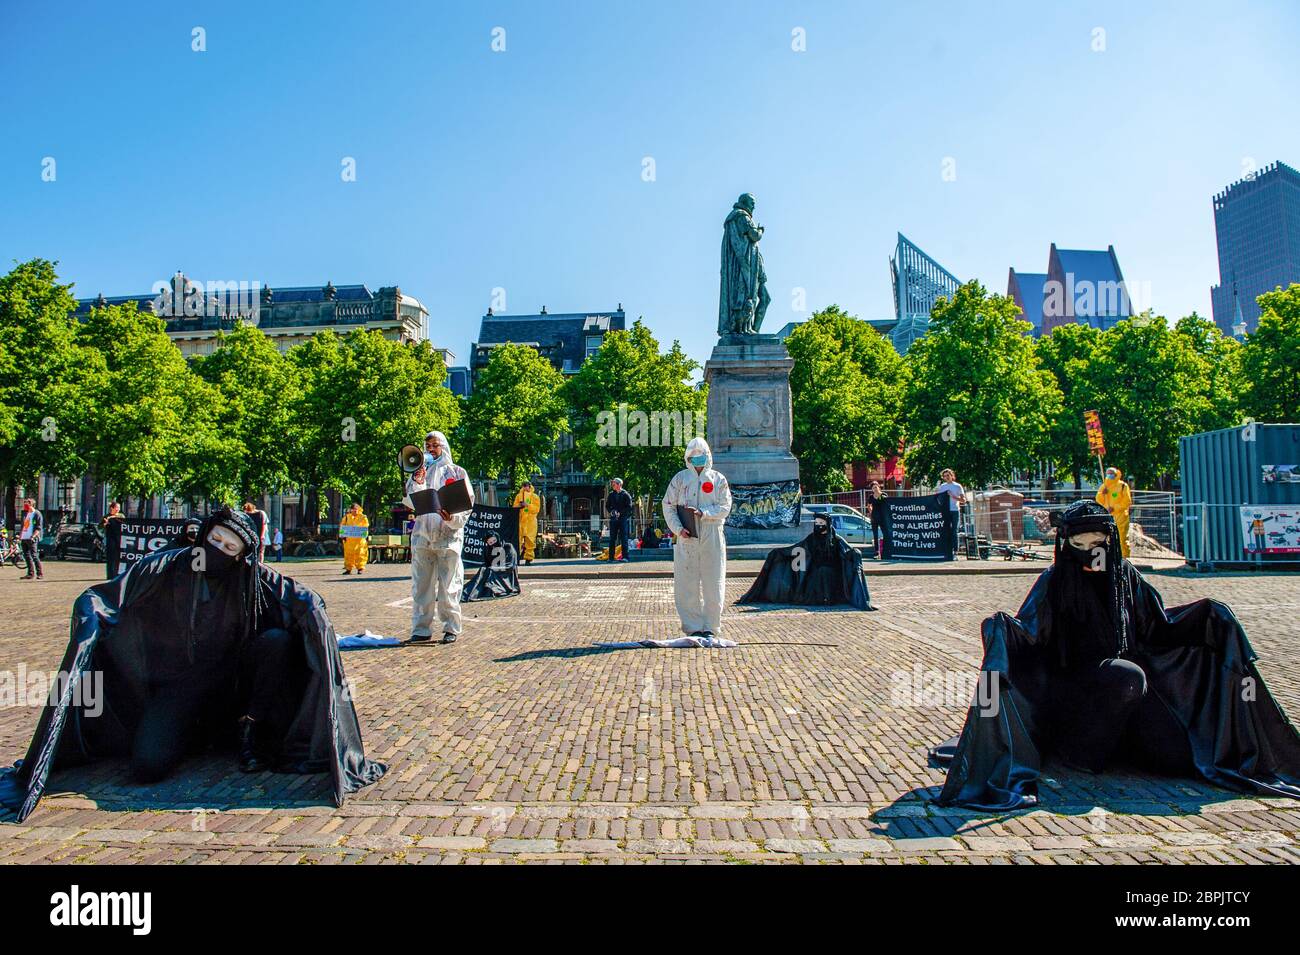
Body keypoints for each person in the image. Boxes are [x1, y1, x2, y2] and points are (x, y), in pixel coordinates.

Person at [0, 507, 386, 822]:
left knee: (275, 642)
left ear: (241, 555)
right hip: (180, 686)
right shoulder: (168, 567)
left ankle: (248, 731)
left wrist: (315, 614)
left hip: (236, 686)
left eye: (229, 547)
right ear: (204, 536)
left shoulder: (253, 580)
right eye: (215, 540)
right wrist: (91, 610)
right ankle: (191, 735)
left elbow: (302, 599)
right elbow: (110, 594)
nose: (218, 550)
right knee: (147, 765)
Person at [931, 500, 1300, 811]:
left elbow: (1158, 626)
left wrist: (1209, 616)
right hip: (1073, 695)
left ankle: (1125, 742)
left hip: (1125, 693)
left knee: (1179, 758)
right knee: (1127, 676)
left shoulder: (1125, 577)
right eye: (1080, 539)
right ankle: (1080, 753)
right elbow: (1029, 635)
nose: (1092, 548)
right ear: (1067, 542)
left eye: (1099, 539)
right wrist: (1001, 630)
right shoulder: (1054, 582)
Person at [404, 430, 473, 644]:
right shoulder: (418, 474)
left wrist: (452, 517)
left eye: (435, 445)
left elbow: (467, 504)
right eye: (428, 447)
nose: (431, 450)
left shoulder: (457, 471)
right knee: (421, 585)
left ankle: (451, 627)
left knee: (449, 584)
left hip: (448, 537)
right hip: (423, 536)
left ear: (443, 446)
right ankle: (421, 628)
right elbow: (408, 500)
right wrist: (416, 481)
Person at [662, 438, 732, 637]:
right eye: (693, 457)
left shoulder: (718, 479)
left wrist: (704, 513)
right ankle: (692, 626)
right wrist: (678, 529)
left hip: (712, 533)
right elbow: (668, 505)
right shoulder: (680, 479)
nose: (698, 460)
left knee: (713, 580)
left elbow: (725, 507)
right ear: (688, 459)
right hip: (687, 535)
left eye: (701, 456)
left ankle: (711, 626)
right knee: (687, 582)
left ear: (708, 456)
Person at [739, 514, 874, 610]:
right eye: (816, 524)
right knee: (817, 575)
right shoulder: (811, 538)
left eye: (821, 524)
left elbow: (847, 550)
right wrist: (779, 552)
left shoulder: (836, 539)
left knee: (826, 573)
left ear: (827, 525)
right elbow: (797, 548)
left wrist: (855, 553)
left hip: (833, 571)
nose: (818, 526)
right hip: (815, 571)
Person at [1095, 465, 1133, 558]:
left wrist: (1115, 508)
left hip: (1121, 517)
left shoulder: (1123, 486)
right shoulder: (1104, 486)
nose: (1109, 475)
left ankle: (1123, 558)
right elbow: (1098, 500)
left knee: (1121, 538)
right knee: (1107, 539)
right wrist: (1102, 494)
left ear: (1116, 474)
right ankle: (1111, 558)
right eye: (1108, 474)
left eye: (1111, 473)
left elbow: (1127, 501)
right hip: (1107, 516)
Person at [936, 468, 966, 556]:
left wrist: (953, 496)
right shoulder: (942, 486)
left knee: (954, 530)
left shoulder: (957, 486)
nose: (946, 477)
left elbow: (963, 500)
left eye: (948, 475)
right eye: (944, 476)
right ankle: (946, 549)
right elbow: (937, 498)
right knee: (945, 530)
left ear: (952, 476)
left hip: (955, 510)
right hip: (945, 511)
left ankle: (955, 551)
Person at [512, 480, 542, 565]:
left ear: (530, 486)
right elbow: (514, 507)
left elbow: (536, 509)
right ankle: (517, 557)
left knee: (530, 540)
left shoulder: (535, 497)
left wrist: (527, 505)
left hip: (530, 521)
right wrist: (520, 506)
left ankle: (528, 559)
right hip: (521, 521)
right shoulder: (519, 496)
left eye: (526, 485)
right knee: (518, 540)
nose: (525, 487)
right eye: (523, 486)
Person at [606, 478, 633, 563]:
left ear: (619, 485)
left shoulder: (626, 494)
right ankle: (611, 557)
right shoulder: (611, 495)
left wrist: (621, 513)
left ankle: (625, 557)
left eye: (614, 484)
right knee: (612, 538)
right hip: (614, 519)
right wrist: (612, 511)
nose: (612, 485)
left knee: (623, 538)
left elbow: (629, 507)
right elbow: (607, 506)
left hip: (623, 519)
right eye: (613, 484)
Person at [17, 498, 43, 580]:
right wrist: (20, 536)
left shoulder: (37, 514)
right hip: (24, 538)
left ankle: (40, 573)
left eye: (26, 503)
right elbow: (23, 526)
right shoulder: (25, 514)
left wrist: (33, 536)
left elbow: (39, 528)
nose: (25, 505)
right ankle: (30, 573)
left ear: (31, 504)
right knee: (27, 556)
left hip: (31, 538)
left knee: (34, 556)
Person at [340, 503, 369, 575]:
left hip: (359, 540)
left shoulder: (363, 517)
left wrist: (363, 534)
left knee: (360, 554)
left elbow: (366, 526)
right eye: (352, 510)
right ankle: (348, 569)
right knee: (348, 555)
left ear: (358, 510)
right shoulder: (347, 517)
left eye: (355, 510)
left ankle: (360, 568)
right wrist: (342, 535)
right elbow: (342, 526)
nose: (354, 512)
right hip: (349, 541)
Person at [867, 481, 886, 559]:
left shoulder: (883, 495)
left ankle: (885, 550)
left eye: (875, 487)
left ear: (878, 487)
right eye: (873, 488)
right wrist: (871, 512)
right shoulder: (871, 497)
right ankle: (876, 552)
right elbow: (868, 505)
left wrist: (879, 494)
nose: (874, 489)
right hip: (874, 517)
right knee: (875, 535)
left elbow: (886, 503)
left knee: (885, 533)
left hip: (882, 517)